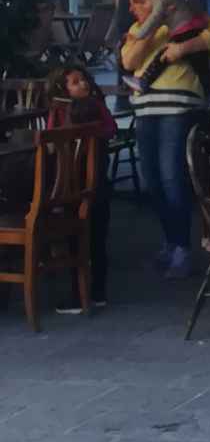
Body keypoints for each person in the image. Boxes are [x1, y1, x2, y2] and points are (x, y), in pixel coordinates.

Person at [119, 0, 210, 278]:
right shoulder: (141, 29)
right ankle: (171, 242)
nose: (132, 9)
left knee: (172, 178)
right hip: (145, 110)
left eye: (137, 1)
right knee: (152, 180)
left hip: (178, 109)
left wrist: (184, 46)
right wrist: (149, 32)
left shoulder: (191, 18)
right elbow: (128, 61)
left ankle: (182, 249)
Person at [46, 64, 116, 312]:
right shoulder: (98, 108)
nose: (83, 84)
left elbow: (50, 144)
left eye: (84, 79)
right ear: (62, 87)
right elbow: (111, 130)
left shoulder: (62, 112)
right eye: (76, 82)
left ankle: (79, 296)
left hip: (72, 190)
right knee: (97, 240)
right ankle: (97, 293)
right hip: (98, 187)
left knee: (78, 241)